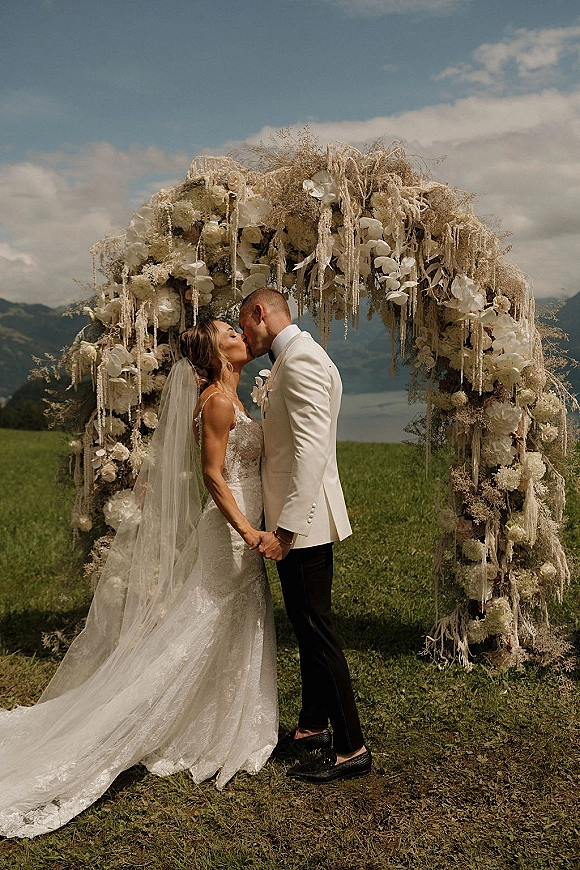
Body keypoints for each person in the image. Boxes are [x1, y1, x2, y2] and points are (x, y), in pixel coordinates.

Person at [0, 320, 278, 839]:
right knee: (204, 621)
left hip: (247, 523)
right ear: (217, 352)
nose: (241, 335)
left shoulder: (235, 397)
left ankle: (217, 717)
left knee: (227, 619)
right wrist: (250, 531)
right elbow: (214, 475)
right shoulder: (217, 401)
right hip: (232, 529)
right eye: (229, 332)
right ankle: (141, 716)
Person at [239, 288, 371, 783]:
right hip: (297, 519)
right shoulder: (296, 356)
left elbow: (313, 450)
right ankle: (313, 725)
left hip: (303, 523)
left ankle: (352, 747)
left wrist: (286, 530)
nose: (245, 336)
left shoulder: (301, 362)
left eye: (245, 325)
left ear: (260, 314)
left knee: (317, 630)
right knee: (308, 625)